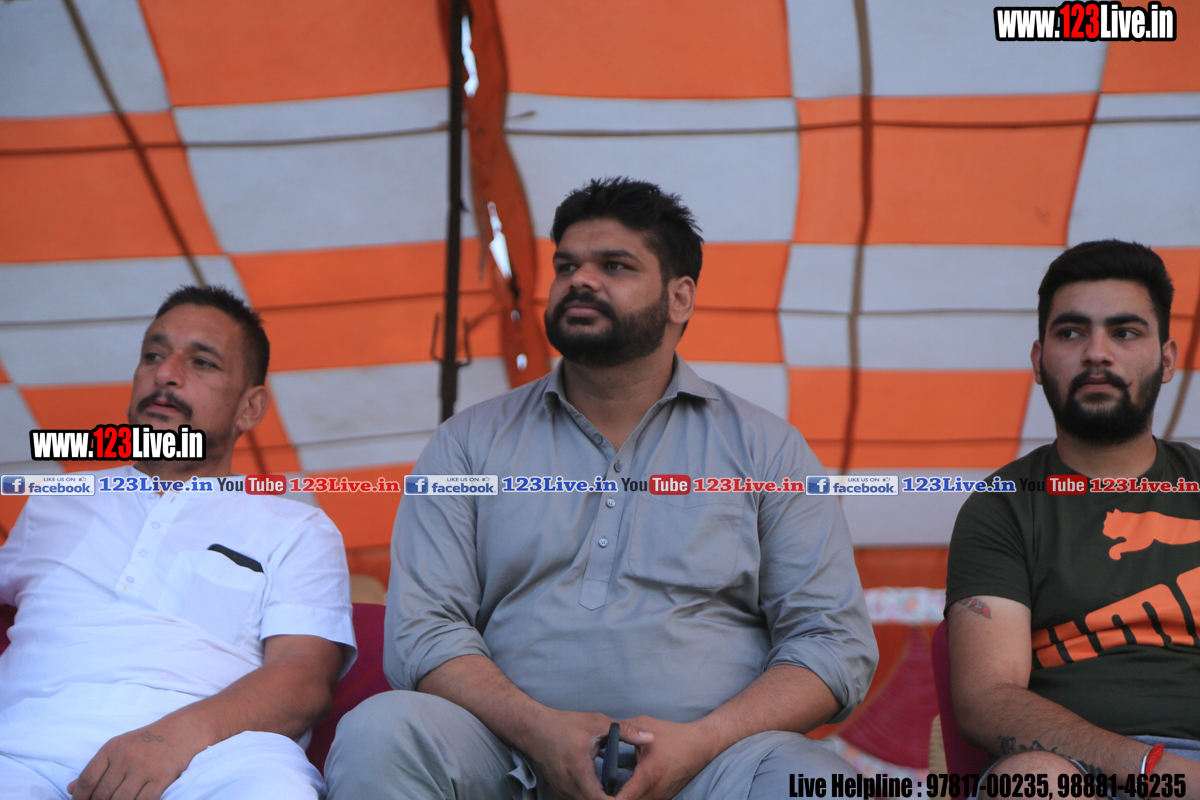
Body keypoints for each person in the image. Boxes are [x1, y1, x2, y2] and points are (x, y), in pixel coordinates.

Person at [326, 177, 876, 800]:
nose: (580, 281)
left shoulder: (767, 450)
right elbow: (423, 631)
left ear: (679, 298)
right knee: (381, 731)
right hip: (508, 759)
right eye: (566, 266)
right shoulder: (468, 444)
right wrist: (538, 730)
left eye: (614, 266)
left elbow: (832, 642)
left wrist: (702, 742)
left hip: (713, 767)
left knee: (815, 782)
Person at [0, 286, 356, 800]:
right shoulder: (56, 502)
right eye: (153, 355)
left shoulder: (297, 529)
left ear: (250, 408)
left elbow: (302, 679)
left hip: (215, 760)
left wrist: (172, 740)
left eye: (202, 362)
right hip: (22, 752)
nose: (165, 374)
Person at [945, 240, 1200, 793]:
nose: (1096, 354)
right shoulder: (1002, 505)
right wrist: (1152, 770)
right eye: (1071, 333)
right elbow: (986, 700)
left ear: (1167, 359)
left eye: (1125, 332)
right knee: (1032, 780)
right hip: (1070, 769)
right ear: (1039, 361)